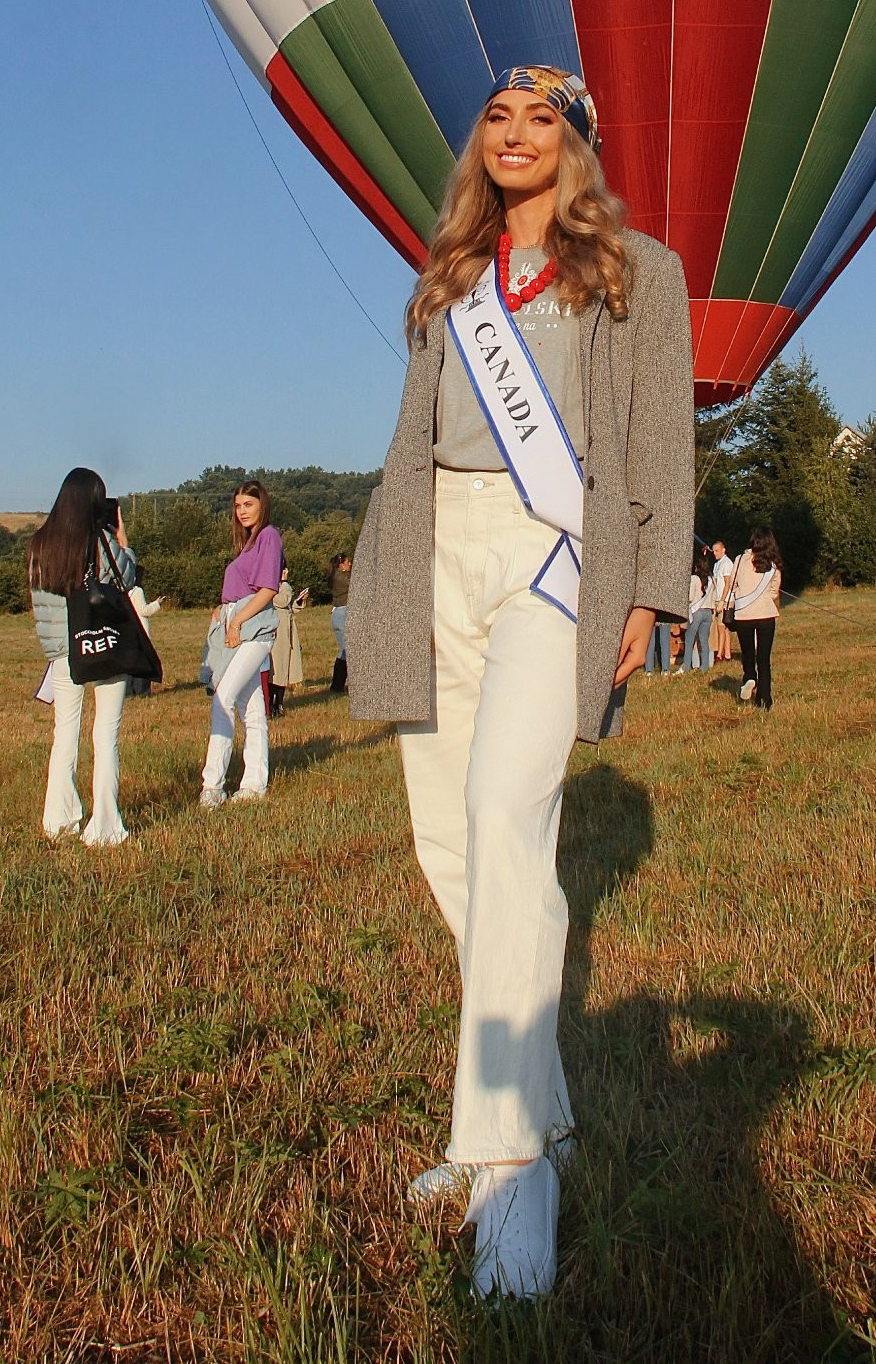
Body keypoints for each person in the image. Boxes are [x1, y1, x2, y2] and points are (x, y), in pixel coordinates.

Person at [347, 65, 694, 1301]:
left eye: (542, 117)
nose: (514, 134)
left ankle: (508, 1173)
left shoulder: (638, 273)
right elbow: (411, 432)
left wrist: (651, 589)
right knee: (456, 848)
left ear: (579, 141)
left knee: (506, 816)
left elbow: (660, 439)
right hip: (431, 550)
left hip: (557, 555)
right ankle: (525, 1116)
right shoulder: (448, 278)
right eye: (496, 116)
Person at [28, 468, 139, 848]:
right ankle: (105, 824)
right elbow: (128, 578)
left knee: (65, 735)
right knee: (105, 733)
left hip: (63, 652)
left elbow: (41, 605)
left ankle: (58, 819)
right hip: (105, 643)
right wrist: (123, 541)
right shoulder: (103, 542)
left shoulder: (40, 546)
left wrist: (56, 648)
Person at [199, 481, 284, 808]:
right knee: (252, 710)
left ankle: (213, 785)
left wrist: (236, 621)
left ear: (262, 504)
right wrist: (224, 611)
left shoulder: (268, 536)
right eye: (238, 506)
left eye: (248, 504)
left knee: (223, 697)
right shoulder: (248, 542)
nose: (242, 511)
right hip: (239, 623)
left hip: (254, 629)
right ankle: (254, 784)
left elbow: (267, 589)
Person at [732, 529, 782, 710]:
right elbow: (775, 591)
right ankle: (764, 699)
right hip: (766, 614)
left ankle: (750, 677)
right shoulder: (772, 564)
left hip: (743, 615)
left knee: (747, 653)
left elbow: (732, 585)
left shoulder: (739, 561)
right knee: (763, 657)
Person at [269, 569, 306, 713]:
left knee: (285, 669)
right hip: (277, 633)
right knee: (277, 670)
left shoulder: (280, 587)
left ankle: (279, 703)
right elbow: (282, 601)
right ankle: (272, 704)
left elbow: (287, 608)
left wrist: (298, 602)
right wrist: (284, 583)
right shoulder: (271, 586)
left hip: (286, 632)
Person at [684, 547, 715, 671]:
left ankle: (686, 667)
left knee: (689, 640)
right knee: (704, 641)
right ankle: (704, 667)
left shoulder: (694, 579)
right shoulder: (712, 579)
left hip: (696, 612)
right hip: (708, 612)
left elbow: (691, 597)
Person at [328, 551, 351, 692]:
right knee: (348, 652)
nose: (350, 564)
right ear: (341, 565)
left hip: (337, 613)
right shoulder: (343, 578)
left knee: (344, 651)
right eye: (348, 562)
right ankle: (337, 686)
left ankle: (337, 685)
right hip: (344, 614)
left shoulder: (334, 576)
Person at [709, 538, 735, 663]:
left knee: (721, 626)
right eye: (713, 551)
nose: (715, 553)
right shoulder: (716, 564)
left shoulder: (727, 563)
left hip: (725, 600)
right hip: (718, 598)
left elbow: (727, 583)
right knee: (724, 628)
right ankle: (728, 653)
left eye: (717, 550)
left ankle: (719, 653)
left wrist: (723, 601)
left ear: (723, 550)